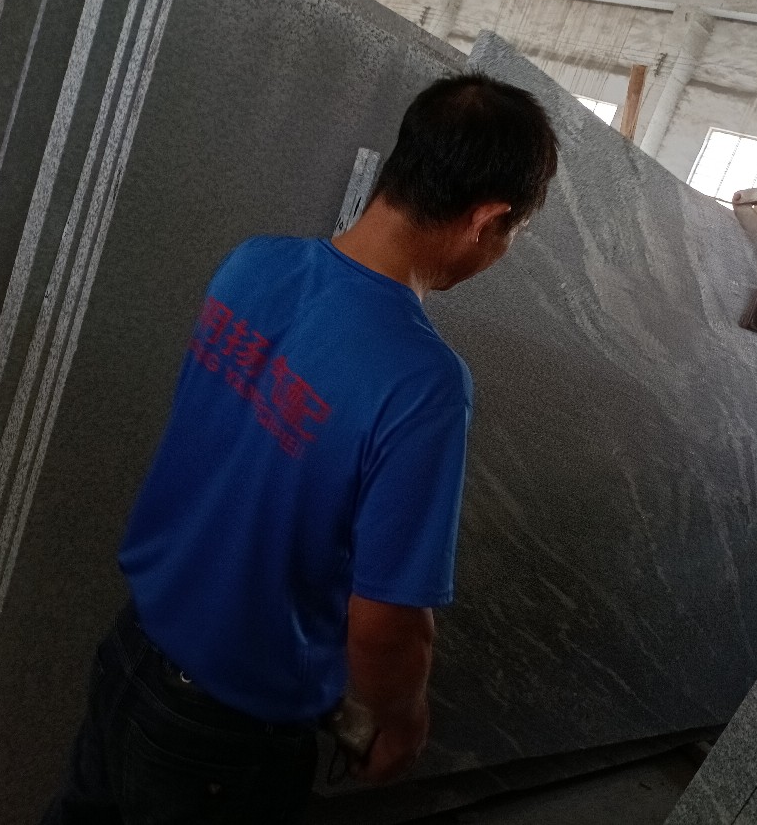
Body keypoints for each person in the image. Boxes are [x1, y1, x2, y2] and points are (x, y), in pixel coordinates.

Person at [43, 73, 558, 824]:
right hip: (227, 734)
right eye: (512, 234)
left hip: (132, 655)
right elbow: (386, 624)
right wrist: (401, 719)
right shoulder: (423, 383)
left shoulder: (254, 262)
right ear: (487, 219)